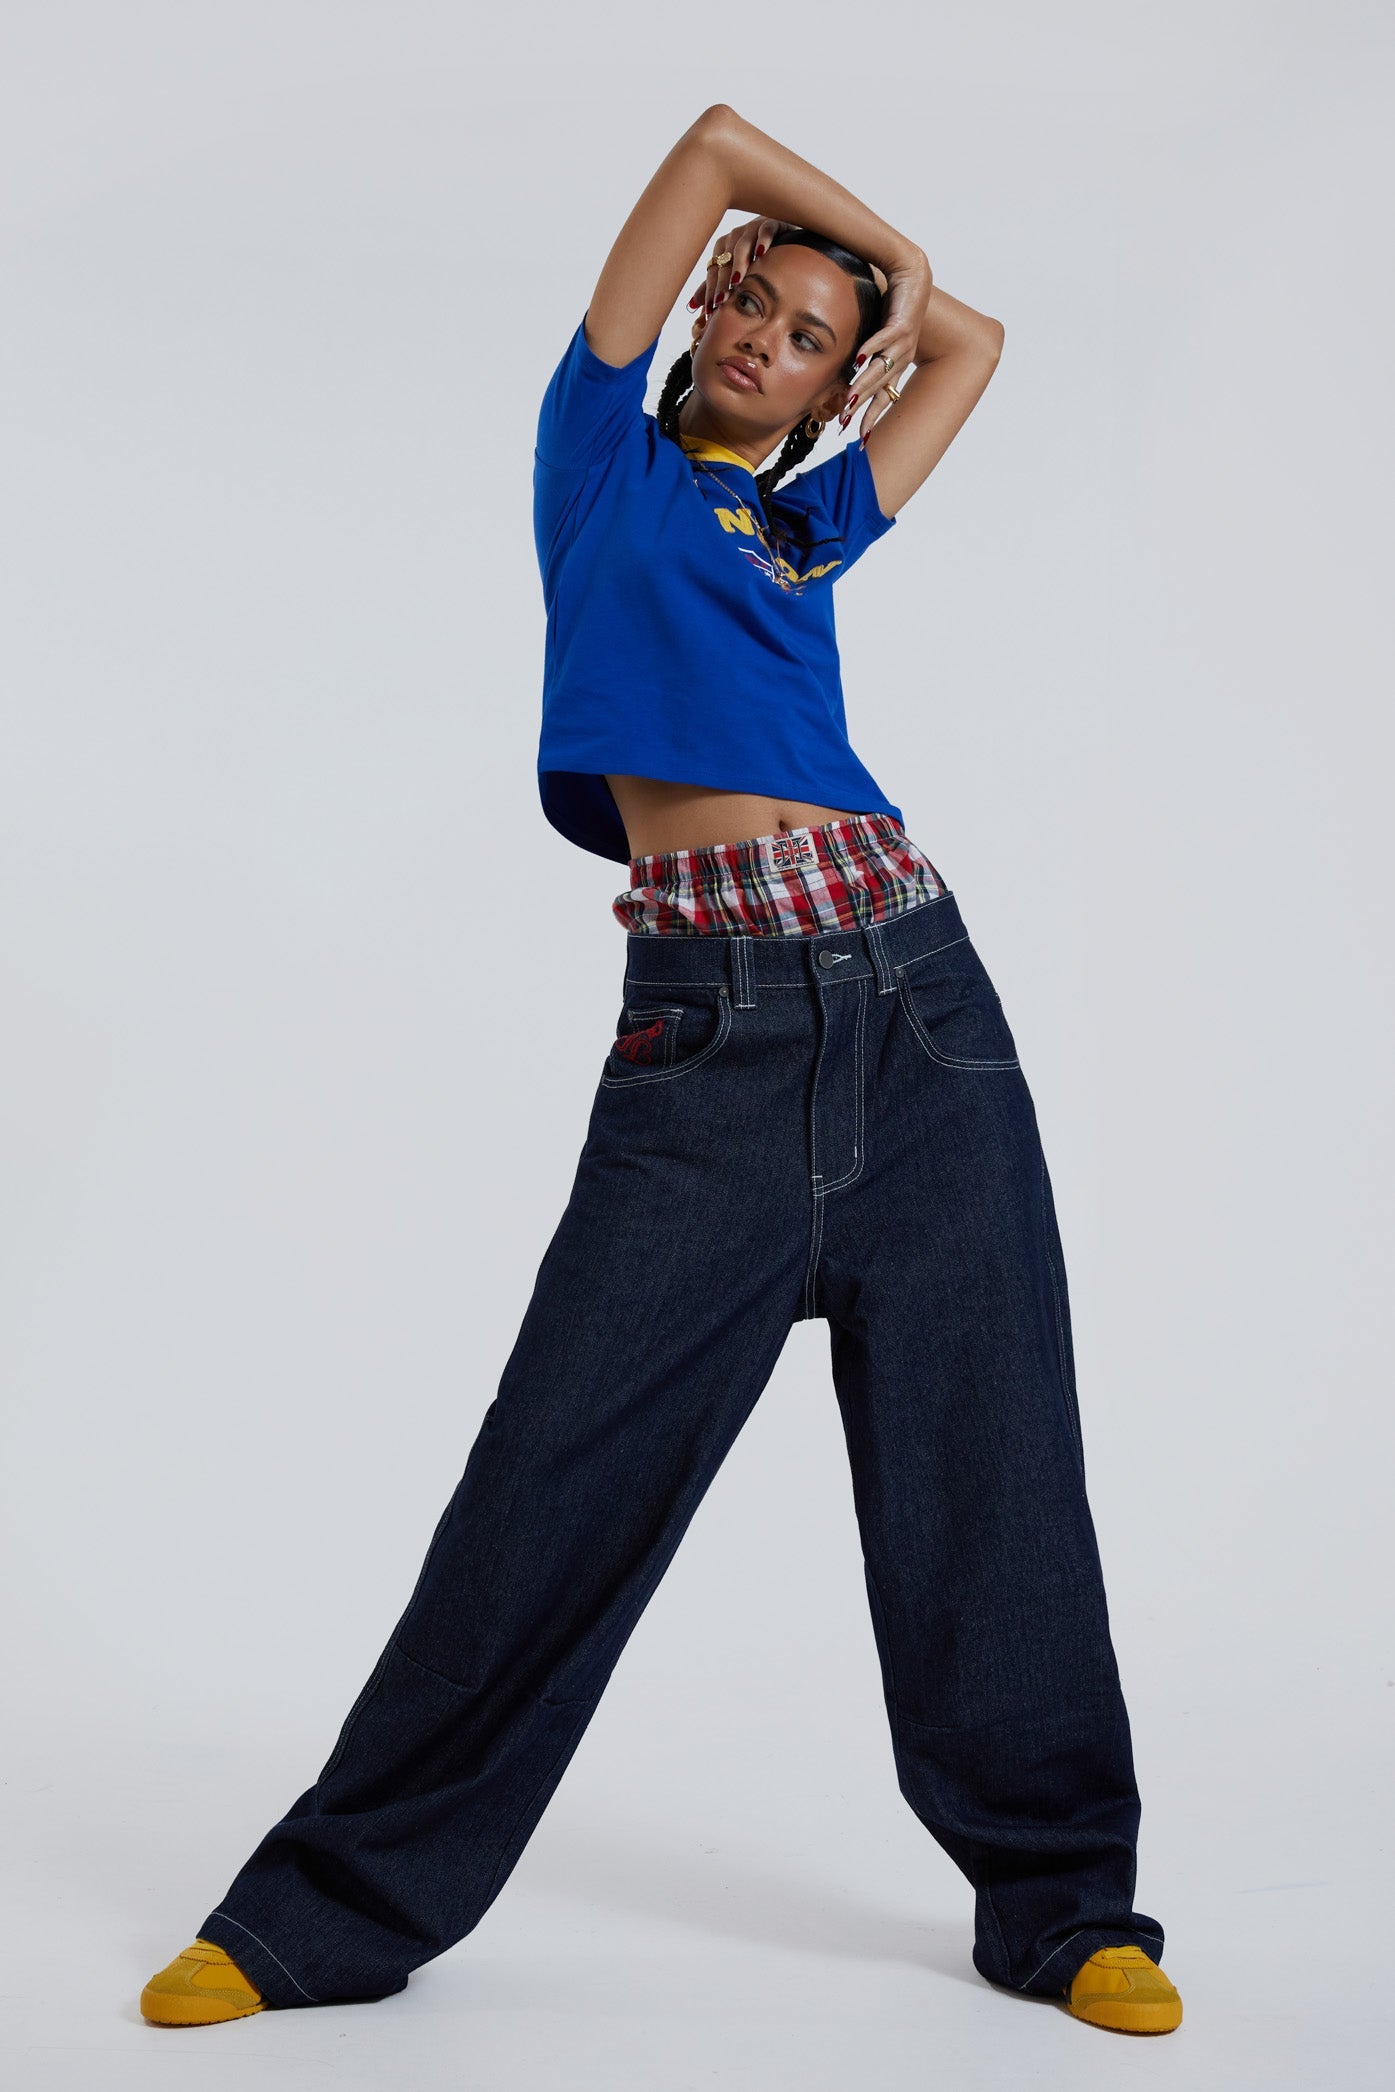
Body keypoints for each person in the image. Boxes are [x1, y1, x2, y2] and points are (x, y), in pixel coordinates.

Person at [140, 104, 1181, 2040]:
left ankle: (1064, 1901)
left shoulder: (803, 523)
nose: (761, 337)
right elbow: (709, 143)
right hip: (700, 1044)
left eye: (802, 333)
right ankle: (324, 1909)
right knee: (545, 1481)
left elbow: (978, 355)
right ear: (706, 298)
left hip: (921, 1005)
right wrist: (882, 247)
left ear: (816, 384)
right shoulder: (596, 466)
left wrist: (909, 307)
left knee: (992, 1470)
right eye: (752, 301)